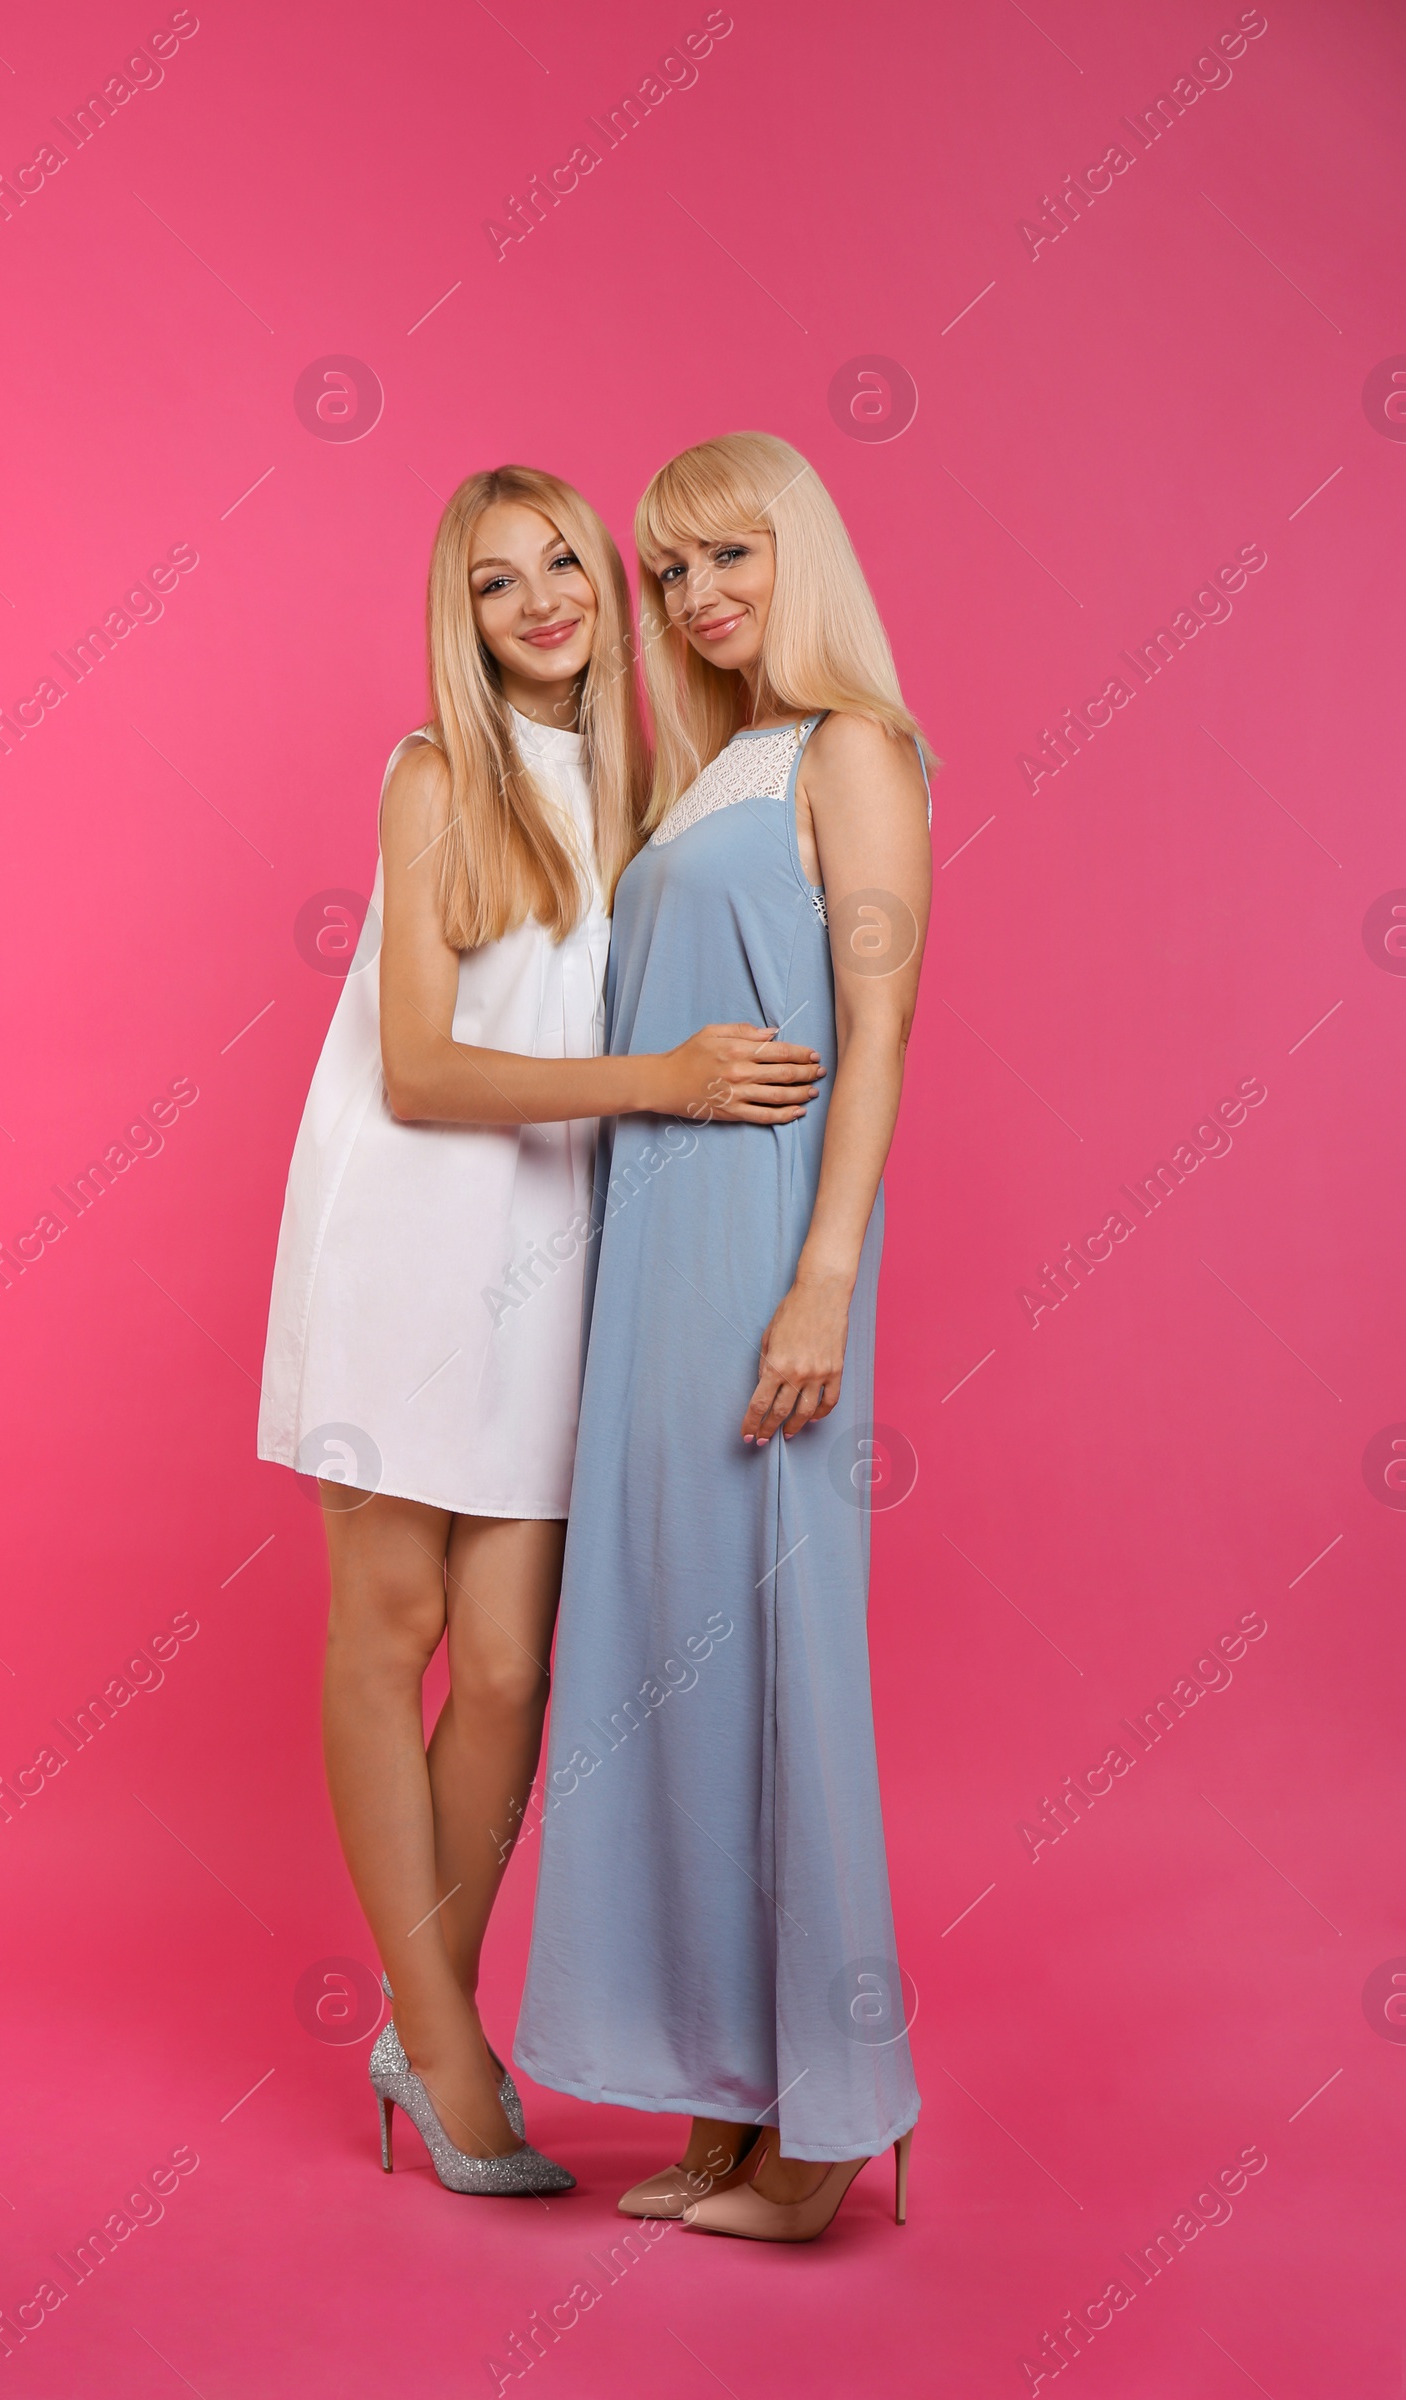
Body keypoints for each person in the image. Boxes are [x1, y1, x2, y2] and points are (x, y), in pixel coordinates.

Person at [257, 463, 825, 2197]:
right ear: (465, 618)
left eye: (564, 562)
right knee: (395, 1618)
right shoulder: (439, 773)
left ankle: (421, 2026)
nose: (543, 602)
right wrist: (659, 1085)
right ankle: (439, 2043)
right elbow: (421, 1069)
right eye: (498, 584)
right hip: (400, 1236)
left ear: (609, 581)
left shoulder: (648, 778)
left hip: (552, 1252)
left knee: (508, 1662)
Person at [514, 432, 933, 2240]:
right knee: (663, 1665)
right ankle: (726, 2092)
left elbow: (878, 1018)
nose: (694, 598)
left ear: (803, 557)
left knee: (777, 1668)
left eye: (728, 558)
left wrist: (828, 1270)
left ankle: (832, 2116)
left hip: (763, 1241)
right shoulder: (706, 773)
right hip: (648, 1258)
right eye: (668, 573)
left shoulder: (852, 751)